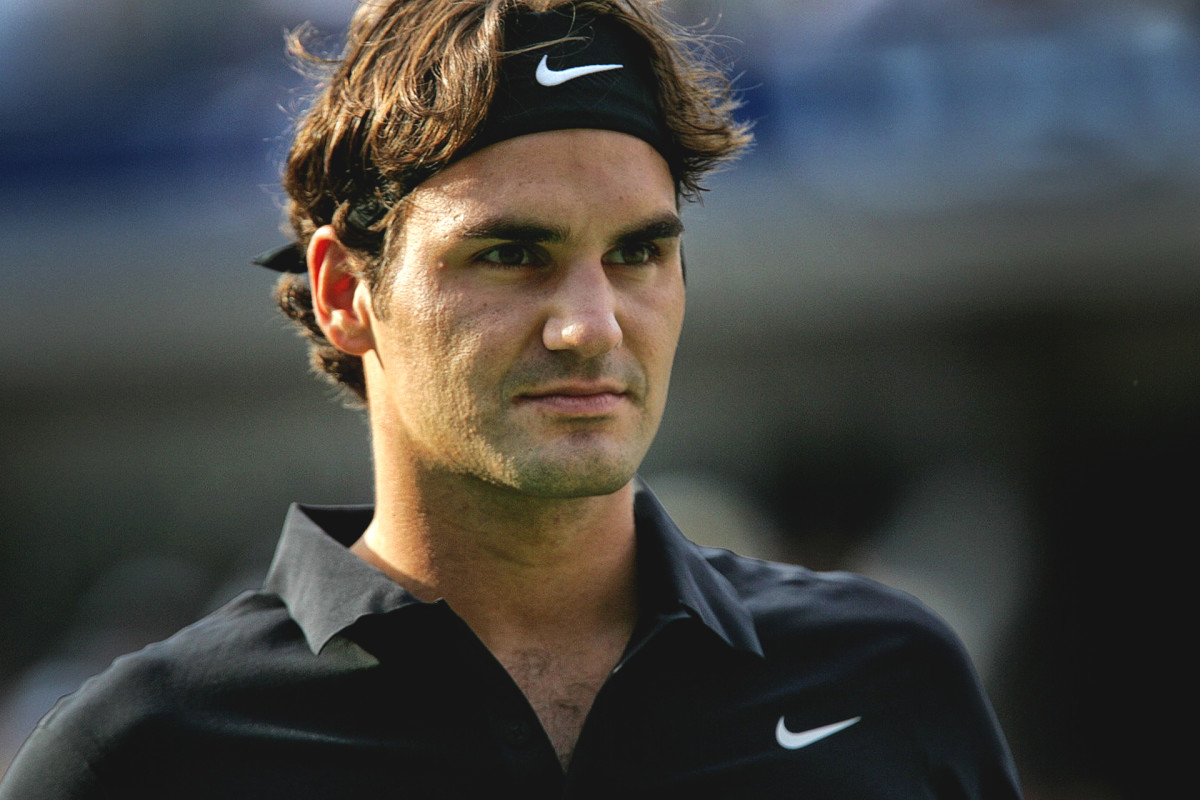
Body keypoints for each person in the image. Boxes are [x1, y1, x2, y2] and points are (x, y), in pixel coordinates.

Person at [0, 1, 1023, 797]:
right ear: (346, 292)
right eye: (510, 254)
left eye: (637, 252)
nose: (591, 325)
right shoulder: (143, 753)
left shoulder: (886, 678)